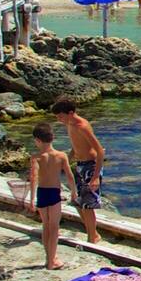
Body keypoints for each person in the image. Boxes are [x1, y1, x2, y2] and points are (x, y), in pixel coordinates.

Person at [52, 100, 104, 243]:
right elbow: (76, 146)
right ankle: (92, 232)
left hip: (90, 167)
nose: (58, 119)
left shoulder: (82, 126)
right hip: (80, 164)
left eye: (60, 116)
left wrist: (95, 178)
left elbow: (100, 151)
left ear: (70, 113)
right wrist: (66, 161)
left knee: (87, 205)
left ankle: (92, 236)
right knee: (78, 202)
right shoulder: (69, 124)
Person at [26, 123, 74, 270]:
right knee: (54, 228)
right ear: (52, 138)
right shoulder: (61, 156)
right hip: (54, 193)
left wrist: (32, 198)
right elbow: (69, 176)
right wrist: (74, 191)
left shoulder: (36, 158)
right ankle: (52, 260)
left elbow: (33, 178)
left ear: (38, 140)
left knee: (46, 226)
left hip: (42, 193)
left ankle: (49, 258)